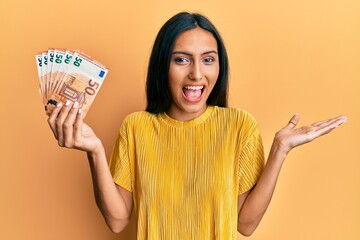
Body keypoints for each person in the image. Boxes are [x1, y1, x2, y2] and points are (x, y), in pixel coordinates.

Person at [47, 12, 347, 239]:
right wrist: (95, 151)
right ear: (162, 66)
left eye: (208, 60)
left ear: (220, 66)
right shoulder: (136, 127)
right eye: (181, 60)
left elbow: (245, 225)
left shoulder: (239, 126)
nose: (196, 74)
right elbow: (117, 221)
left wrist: (280, 150)